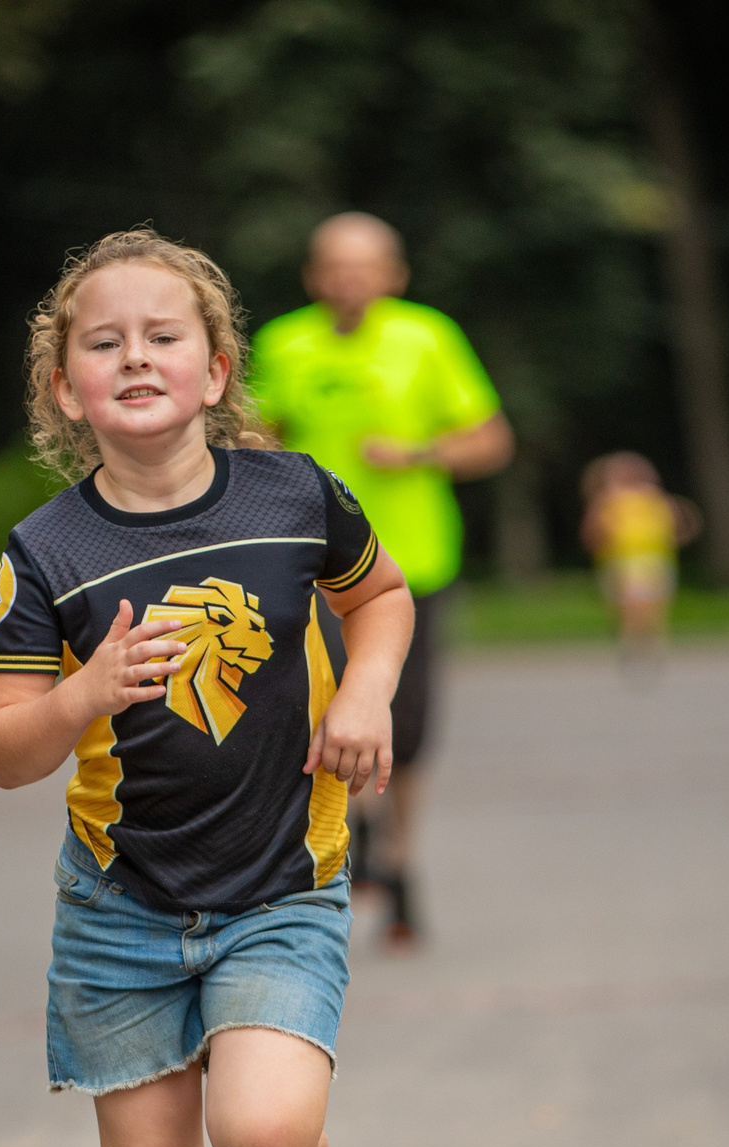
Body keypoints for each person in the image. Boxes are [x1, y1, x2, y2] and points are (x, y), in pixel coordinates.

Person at [0, 229, 414, 1147]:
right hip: (121, 910)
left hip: (282, 886)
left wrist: (370, 694)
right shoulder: (44, 555)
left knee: (265, 1142)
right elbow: (3, 751)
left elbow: (380, 599)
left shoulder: (294, 496)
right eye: (101, 343)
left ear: (217, 367)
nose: (135, 357)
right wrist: (86, 693)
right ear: (65, 389)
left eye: (162, 336)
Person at [249, 213, 512, 948]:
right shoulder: (282, 344)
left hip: (413, 563)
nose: (349, 279)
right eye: (334, 265)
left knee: (412, 720)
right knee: (327, 710)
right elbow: (253, 441)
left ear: (394, 275)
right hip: (312, 566)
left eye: (364, 266)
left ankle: (400, 860)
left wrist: (421, 450)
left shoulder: (427, 337)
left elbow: (491, 438)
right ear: (313, 275)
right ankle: (353, 842)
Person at [580, 452, 698, 669]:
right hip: (623, 562)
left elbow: (680, 523)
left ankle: (649, 642)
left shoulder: (655, 499)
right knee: (631, 606)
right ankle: (634, 642)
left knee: (654, 606)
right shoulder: (608, 502)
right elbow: (592, 534)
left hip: (653, 560)